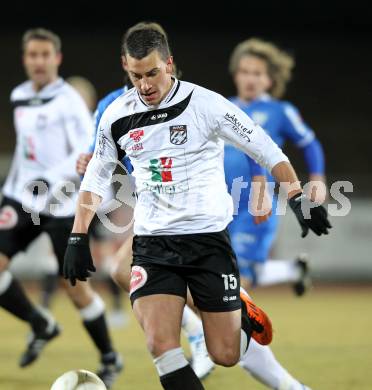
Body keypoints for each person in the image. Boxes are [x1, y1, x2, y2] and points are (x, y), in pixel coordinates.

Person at [64, 23, 331, 390]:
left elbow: (267, 150)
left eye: (153, 73)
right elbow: (96, 176)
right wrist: (78, 236)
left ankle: (237, 315)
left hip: (207, 242)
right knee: (160, 344)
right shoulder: (116, 114)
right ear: (126, 67)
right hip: (153, 243)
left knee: (226, 353)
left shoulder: (206, 103)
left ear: (169, 63)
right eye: (136, 75)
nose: (145, 85)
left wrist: (297, 195)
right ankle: (199, 333)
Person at [0, 28, 122, 389]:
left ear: (57, 58)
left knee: (76, 288)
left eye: (45, 55)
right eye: (32, 55)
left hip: (63, 203)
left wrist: (50, 180)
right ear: (25, 59)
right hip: (21, 198)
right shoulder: (19, 96)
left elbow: (85, 151)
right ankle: (41, 323)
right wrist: (14, 187)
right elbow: (27, 149)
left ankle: (109, 356)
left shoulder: (70, 100)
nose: (38, 61)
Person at [225, 38, 327, 295]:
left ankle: (241, 335)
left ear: (269, 80)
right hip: (220, 204)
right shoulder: (223, 107)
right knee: (229, 271)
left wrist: (317, 178)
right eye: (245, 71)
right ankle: (292, 270)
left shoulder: (280, 111)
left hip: (255, 204)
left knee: (236, 278)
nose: (250, 78)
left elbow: (310, 143)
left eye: (257, 73)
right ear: (236, 75)